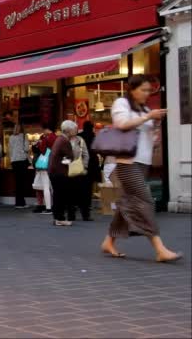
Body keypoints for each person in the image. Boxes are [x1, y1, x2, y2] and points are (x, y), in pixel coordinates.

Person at [101, 75, 182, 262]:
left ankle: (109, 241)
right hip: (126, 163)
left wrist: (155, 123)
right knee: (145, 202)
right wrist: (148, 116)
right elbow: (121, 124)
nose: (147, 93)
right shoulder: (122, 103)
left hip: (143, 162)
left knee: (128, 203)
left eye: (149, 90)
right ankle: (160, 249)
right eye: (143, 90)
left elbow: (151, 140)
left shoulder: (143, 108)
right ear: (132, 89)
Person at [49, 120, 77, 226]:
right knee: (60, 195)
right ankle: (59, 218)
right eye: (74, 129)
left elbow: (61, 157)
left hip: (54, 171)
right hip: (59, 172)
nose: (76, 131)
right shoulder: (65, 141)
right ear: (69, 130)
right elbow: (70, 157)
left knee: (58, 194)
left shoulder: (59, 139)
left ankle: (57, 217)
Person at [76, 121, 101, 220]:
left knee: (78, 187)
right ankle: (85, 213)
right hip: (91, 166)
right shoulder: (93, 136)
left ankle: (74, 209)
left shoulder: (78, 136)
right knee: (88, 189)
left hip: (79, 164)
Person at [32, 123, 57, 215]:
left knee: (46, 187)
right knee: (52, 187)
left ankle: (48, 208)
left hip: (45, 165)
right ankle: (54, 206)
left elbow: (42, 150)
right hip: (54, 164)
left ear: (47, 129)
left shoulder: (46, 138)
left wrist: (39, 144)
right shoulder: (56, 137)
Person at [67, 131, 91, 221]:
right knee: (70, 194)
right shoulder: (65, 140)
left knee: (83, 193)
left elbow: (86, 155)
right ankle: (71, 214)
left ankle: (85, 214)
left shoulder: (80, 140)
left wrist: (84, 167)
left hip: (79, 170)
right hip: (68, 170)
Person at [9, 123, 30, 209]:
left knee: (17, 183)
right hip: (22, 161)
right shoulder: (24, 136)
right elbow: (26, 149)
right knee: (22, 183)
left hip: (14, 161)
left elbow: (10, 150)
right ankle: (21, 203)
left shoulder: (11, 137)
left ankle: (18, 202)